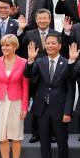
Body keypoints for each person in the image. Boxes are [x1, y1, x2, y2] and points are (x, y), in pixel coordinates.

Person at [25, 33, 74, 158]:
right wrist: (31, 59)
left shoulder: (67, 63)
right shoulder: (39, 62)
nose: (50, 46)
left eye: (53, 43)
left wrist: (67, 111)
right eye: (48, 43)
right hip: (42, 108)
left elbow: (70, 91)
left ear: (59, 46)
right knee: (44, 141)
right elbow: (27, 74)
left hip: (59, 109)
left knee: (61, 141)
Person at [18, 8, 60, 143]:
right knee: (37, 105)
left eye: (45, 18)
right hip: (35, 75)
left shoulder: (56, 34)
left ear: (50, 19)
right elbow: (18, 46)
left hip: (53, 74)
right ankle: (36, 133)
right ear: (35, 20)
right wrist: (20, 30)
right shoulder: (29, 33)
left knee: (53, 104)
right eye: (39, 18)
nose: (42, 21)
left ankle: (53, 133)